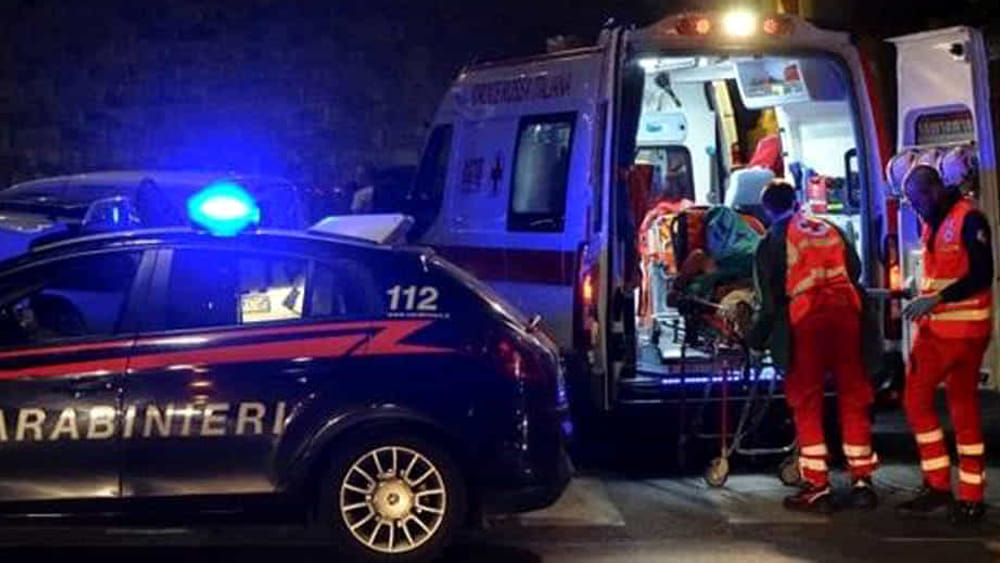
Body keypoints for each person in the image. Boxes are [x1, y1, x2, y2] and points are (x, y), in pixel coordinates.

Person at [748, 180, 881, 513]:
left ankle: (817, 485)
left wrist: (755, 341)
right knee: (854, 396)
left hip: (807, 321)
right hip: (848, 316)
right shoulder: (830, 227)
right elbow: (856, 269)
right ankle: (862, 481)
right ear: (795, 201)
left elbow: (769, 301)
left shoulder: (773, 241)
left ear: (767, 209)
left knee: (807, 401)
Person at [896, 164, 993, 525]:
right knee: (962, 408)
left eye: (916, 199)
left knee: (917, 401)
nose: (915, 207)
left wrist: (935, 300)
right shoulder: (937, 221)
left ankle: (939, 485)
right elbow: (943, 273)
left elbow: (983, 273)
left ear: (933, 190)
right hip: (961, 333)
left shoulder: (968, 219)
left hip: (950, 336)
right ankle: (970, 495)